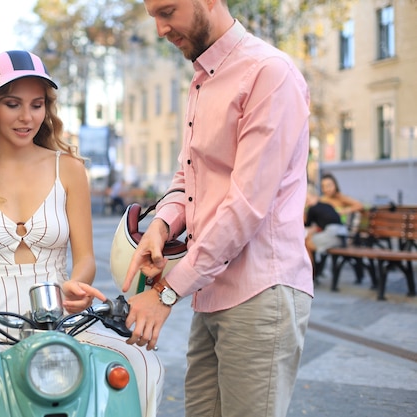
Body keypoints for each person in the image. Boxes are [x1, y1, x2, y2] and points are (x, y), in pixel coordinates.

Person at [0, 50, 163, 417]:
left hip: (62, 319)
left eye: (37, 105)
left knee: (142, 364)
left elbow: (85, 257)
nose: (27, 117)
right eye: (13, 104)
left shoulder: (69, 169)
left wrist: (76, 286)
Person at [121, 2, 314, 417]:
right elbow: (186, 178)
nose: (160, 29)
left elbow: (245, 205)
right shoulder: (202, 79)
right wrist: (161, 226)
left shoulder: (269, 74)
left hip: (260, 293)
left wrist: (165, 293)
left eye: (168, 11)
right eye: (153, 15)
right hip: (209, 291)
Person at [304, 185, 346, 276]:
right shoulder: (327, 205)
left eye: (307, 199)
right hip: (342, 234)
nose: (306, 202)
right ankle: (318, 268)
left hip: (332, 234)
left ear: (314, 196)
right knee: (311, 240)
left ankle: (312, 272)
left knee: (307, 243)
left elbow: (307, 225)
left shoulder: (312, 208)